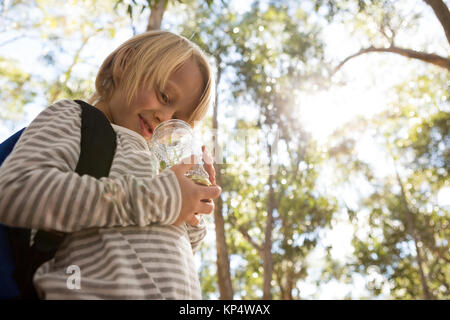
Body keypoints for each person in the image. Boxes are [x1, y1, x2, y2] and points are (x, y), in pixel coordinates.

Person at [0, 30, 222, 299]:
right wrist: (162, 197)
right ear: (125, 62)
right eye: (164, 96)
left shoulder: (158, 168)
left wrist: (193, 213)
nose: (165, 119)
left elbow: (157, 246)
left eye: (179, 119)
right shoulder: (77, 120)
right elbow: (16, 189)